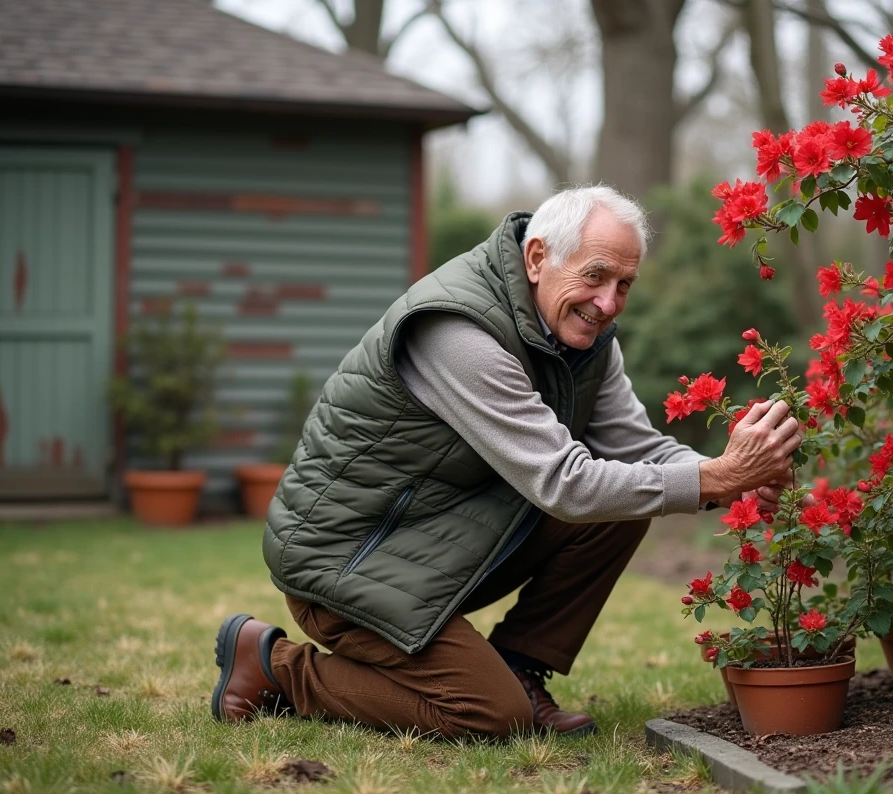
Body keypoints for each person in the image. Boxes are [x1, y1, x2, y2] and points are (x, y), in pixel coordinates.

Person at [209, 185, 804, 739]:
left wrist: (734, 481)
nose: (608, 302)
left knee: (623, 503)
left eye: (625, 284)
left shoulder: (586, 338)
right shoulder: (458, 332)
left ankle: (520, 665)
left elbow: (639, 451)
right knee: (488, 715)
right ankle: (276, 669)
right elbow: (563, 484)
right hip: (343, 563)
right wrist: (720, 475)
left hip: (431, 544)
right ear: (538, 257)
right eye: (596, 276)